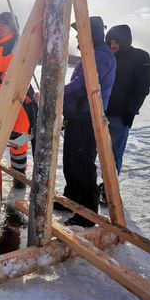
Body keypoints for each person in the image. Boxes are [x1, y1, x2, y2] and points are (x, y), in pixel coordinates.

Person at [61, 16, 116, 227]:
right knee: (71, 162)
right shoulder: (92, 54)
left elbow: (84, 84)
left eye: (79, 32)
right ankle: (72, 201)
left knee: (82, 166)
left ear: (89, 34)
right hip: (78, 116)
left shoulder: (100, 56)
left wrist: (57, 91)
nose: (76, 37)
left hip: (87, 118)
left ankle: (87, 212)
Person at [0, 11, 38, 189]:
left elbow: (25, 67)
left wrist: (6, 78)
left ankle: (19, 180)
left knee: (17, 141)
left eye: (3, 23)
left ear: (11, 27)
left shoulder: (20, 45)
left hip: (15, 101)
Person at [100, 25, 150, 195]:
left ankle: (109, 191)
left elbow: (142, 87)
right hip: (100, 112)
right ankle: (95, 186)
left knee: (114, 154)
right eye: (110, 41)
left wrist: (131, 111)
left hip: (120, 116)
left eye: (117, 41)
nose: (113, 44)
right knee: (96, 151)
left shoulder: (140, 57)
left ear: (125, 40)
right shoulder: (107, 56)